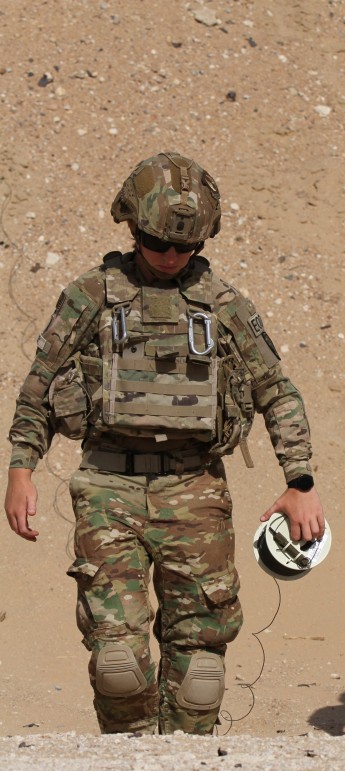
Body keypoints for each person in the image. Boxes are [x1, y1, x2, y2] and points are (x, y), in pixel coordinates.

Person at [4, 152, 324, 736]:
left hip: (194, 488)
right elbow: (39, 389)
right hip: (106, 487)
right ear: (131, 227)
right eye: (158, 243)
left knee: (200, 668)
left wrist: (299, 480)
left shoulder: (222, 303)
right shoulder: (91, 296)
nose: (172, 257)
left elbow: (277, 390)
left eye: (187, 247)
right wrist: (21, 468)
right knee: (118, 664)